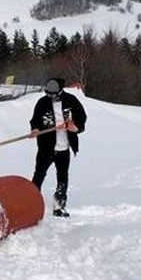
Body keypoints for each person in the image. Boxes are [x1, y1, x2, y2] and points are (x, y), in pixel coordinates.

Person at [29, 77, 87, 217]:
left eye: (53, 95)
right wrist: (35, 129)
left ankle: (59, 205)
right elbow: (35, 119)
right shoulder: (42, 103)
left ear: (60, 91)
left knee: (62, 177)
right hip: (46, 147)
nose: (50, 97)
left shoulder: (71, 101)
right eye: (48, 94)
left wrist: (76, 128)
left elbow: (82, 117)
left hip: (64, 147)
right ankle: (31, 203)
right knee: (39, 174)